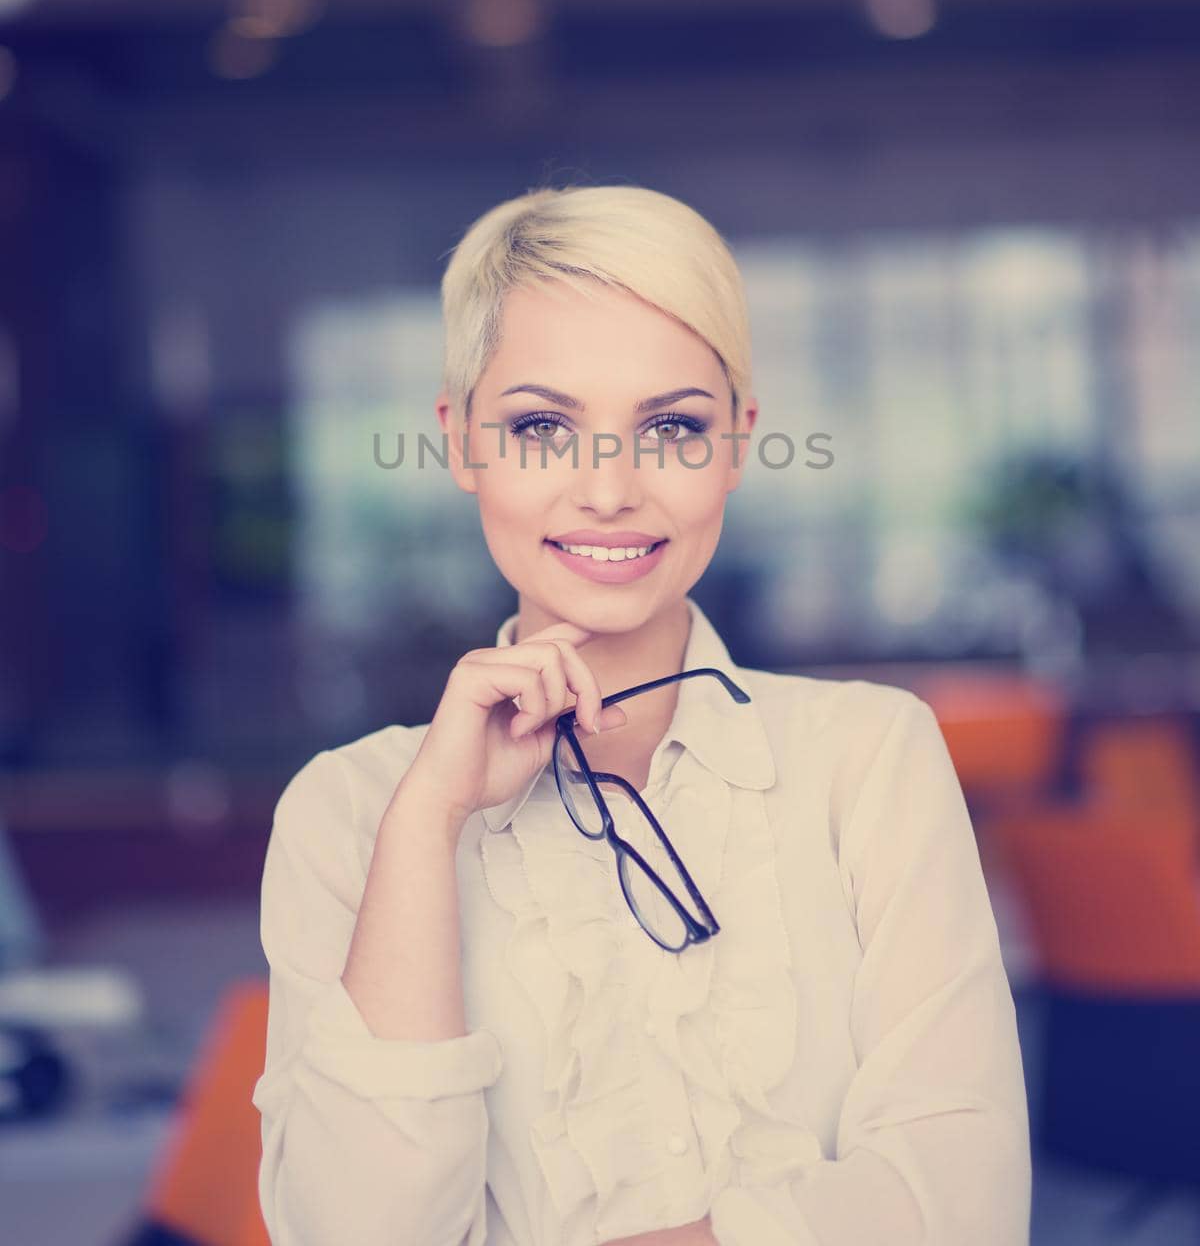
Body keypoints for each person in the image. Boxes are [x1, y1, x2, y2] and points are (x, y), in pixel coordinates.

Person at [252, 182, 1032, 1246]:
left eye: (671, 425)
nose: (609, 489)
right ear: (461, 442)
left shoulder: (869, 756)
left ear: (739, 441)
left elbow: (963, 1200)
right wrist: (428, 822)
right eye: (541, 426)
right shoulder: (350, 811)